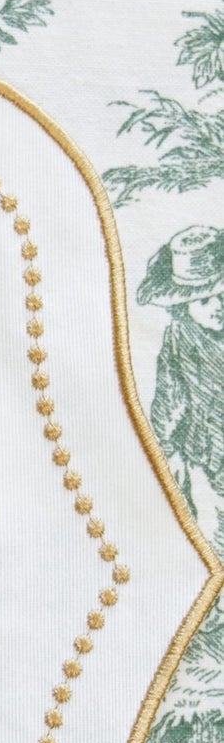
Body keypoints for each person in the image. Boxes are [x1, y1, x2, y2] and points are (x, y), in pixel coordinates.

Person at [140, 223, 224, 531]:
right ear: (183, 306)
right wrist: (165, 446)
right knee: (212, 529)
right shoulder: (179, 337)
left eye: (223, 298)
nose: (217, 308)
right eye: (204, 300)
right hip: (204, 456)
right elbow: (169, 394)